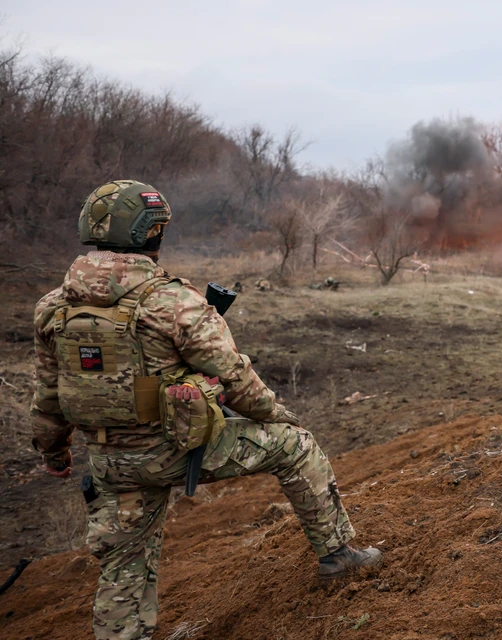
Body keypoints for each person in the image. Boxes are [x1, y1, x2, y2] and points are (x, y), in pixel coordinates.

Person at [31, 180, 381, 640]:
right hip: (173, 451)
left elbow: (48, 396)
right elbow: (236, 380)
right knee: (296, 447)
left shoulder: (52, 308)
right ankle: (337, 556)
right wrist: (278, 417)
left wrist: (54, 454)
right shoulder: (174, 302)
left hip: (109, 464)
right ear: (152, 233)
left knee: (123, 568)